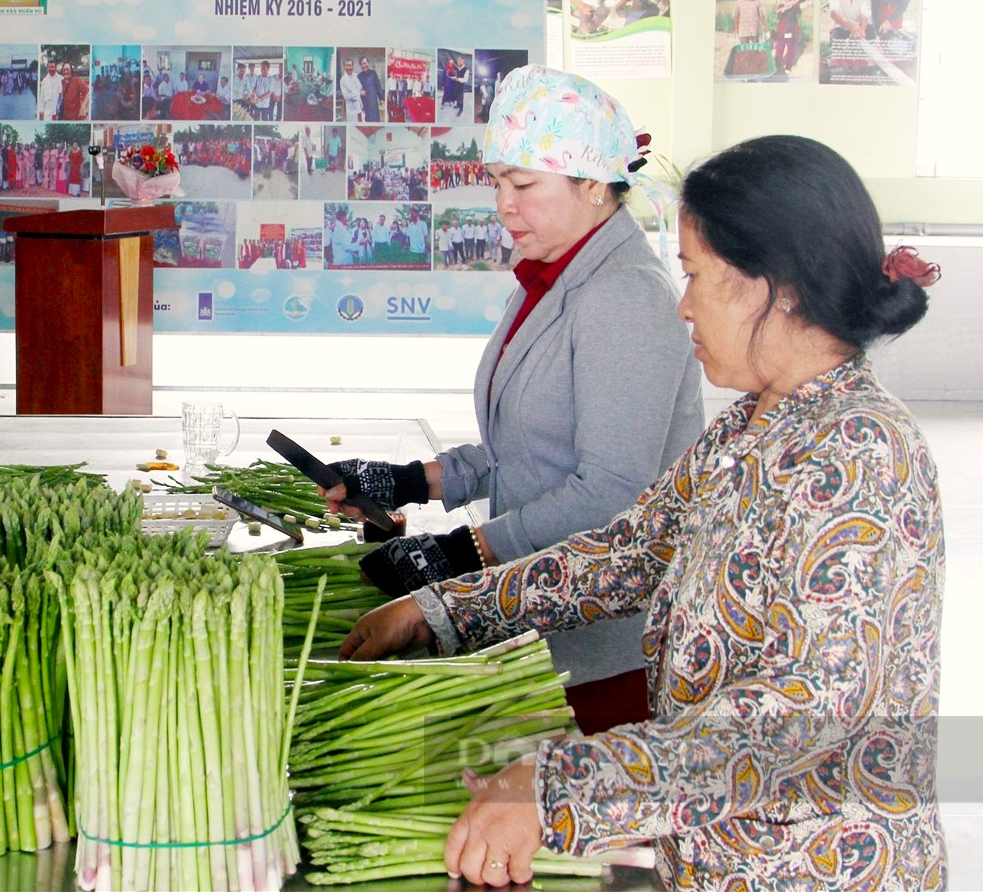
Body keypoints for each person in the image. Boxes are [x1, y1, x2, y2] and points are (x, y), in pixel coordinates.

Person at [342, 134, 945, 891]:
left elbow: (801, 719)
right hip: (712, 856)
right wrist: (440, 609)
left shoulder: (856, 454)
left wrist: (557, 787)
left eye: (695, 275)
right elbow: (628, 553)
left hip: (813, 870)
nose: (683, 303)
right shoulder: (751, 426)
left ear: (773, 286)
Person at [325, 66, 704, 734]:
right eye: (497, 181)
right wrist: (409, 480)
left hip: (603, 647)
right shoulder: (553, 279)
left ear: (592, 184)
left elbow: (611, 492)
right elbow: (524, 451)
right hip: (535, 614)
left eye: (523, 184)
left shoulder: (626, 296)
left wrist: (464, 554)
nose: (502, 204)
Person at [773, 0, 804, 72]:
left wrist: (793, 5)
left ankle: (788, 66)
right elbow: (779, 14)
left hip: (791, 31)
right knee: (779, 48)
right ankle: (778, 64)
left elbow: (799, 11)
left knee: (790, 49)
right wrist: (785, 8)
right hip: (781, 32)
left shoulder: (795, 6)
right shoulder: (781, 6)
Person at [358, 57, 383, 122]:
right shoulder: (359, 76)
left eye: (365, 63)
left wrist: (380, 98)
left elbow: (378, 85)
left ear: (368, 63)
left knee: (375, 117)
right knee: (367, 117)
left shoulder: (373, 73)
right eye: (362, 64)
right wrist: (360, 92)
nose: (364, 65)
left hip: (373, 99)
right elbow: (356, 88)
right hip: (365, 101)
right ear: (360, 65)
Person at [339, 58, 363, 122]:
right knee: (353, 121)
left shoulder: (357, 76)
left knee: (362, 120)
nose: (349, 67)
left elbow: (361, 87)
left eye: (350, 65)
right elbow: (346, 96)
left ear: (353, 66)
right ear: (344, 66)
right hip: (351, 107)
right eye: (347, 65)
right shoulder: (343, 80)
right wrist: (358, 93)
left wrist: (358, 93)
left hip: (360, 104)